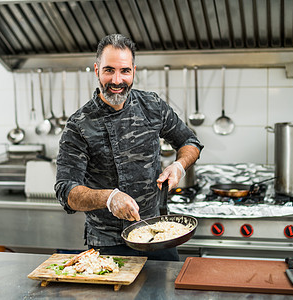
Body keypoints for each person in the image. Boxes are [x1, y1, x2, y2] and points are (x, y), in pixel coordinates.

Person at [55, 33, 203, 261]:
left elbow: (189, 142)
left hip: (159, 234)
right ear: (96, 71)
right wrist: (108, 198)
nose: (117, 80)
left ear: (134, 71)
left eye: (124, 71)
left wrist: (179, 166)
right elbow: (66, 190)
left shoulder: (152, 106)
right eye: (109, 70)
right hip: (109, 244)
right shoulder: (79, 124)